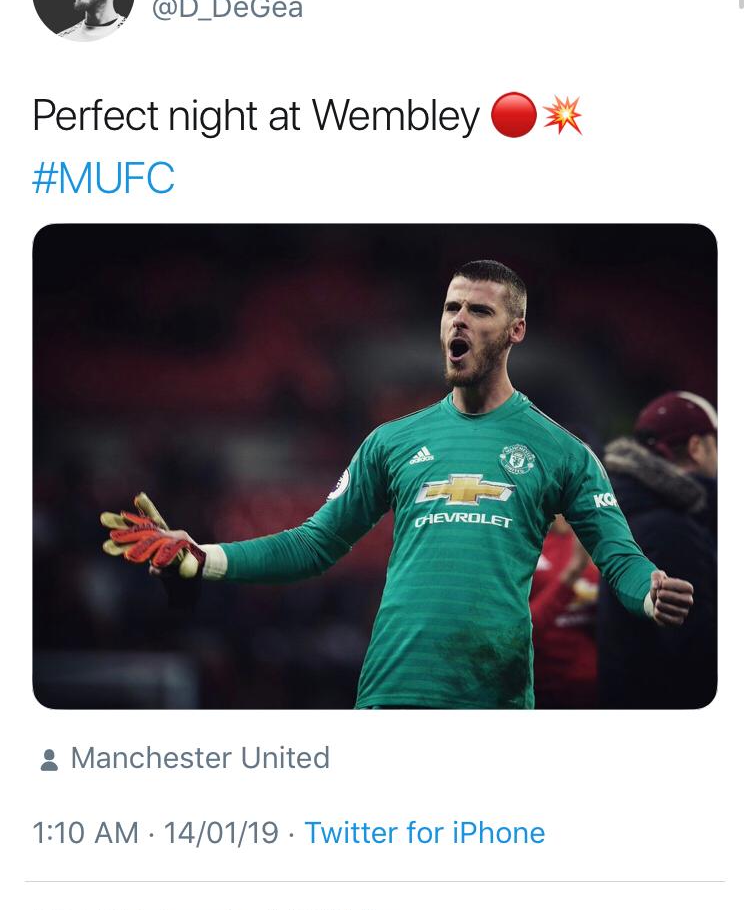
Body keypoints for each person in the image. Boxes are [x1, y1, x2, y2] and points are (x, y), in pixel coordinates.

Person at [101, 260, 694, 709]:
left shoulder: (562, 452)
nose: (459, 320)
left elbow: (618, 556)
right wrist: (202, 557)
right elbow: (313, 544)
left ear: (516, 330)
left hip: (492, 702)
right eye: (451, 307)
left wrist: (650, 592)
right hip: (391, 693)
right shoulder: (391, 442)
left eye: (479, 311)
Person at [598, 392, 717, 709]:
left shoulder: (628, 515)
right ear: (696, 447)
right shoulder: (670, 529)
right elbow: (696, 649)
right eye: (716, 444)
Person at [530, 516, 599, 709]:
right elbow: (522, 630)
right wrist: (572, 573)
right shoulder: (527, 546)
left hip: (595, 685)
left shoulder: (590, 540)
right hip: (543, 688)